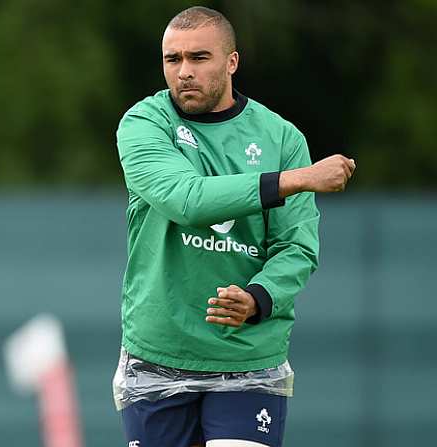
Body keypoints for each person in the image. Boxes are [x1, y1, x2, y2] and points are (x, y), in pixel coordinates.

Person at [113, 6, 355, 447]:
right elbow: (185, 200)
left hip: (248, 356)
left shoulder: (281, 138)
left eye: (199, 58)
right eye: (173, 59)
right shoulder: (144, 124)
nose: (184, 72)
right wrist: (299, 179)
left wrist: (259, 297)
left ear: (231, 62)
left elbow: (296, 246)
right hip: (158, 352)